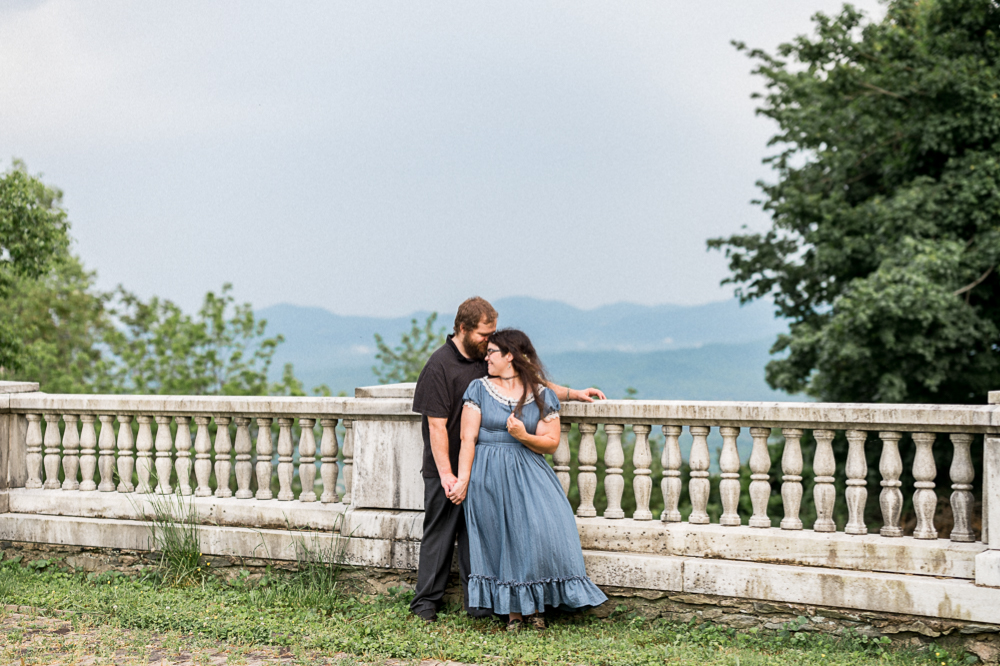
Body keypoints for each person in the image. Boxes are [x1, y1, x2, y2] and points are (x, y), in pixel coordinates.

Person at [409, 297, 605, 623]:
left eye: (493, 336)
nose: (490, 342)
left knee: (482, 536)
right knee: (440, 535)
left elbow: (531, 380)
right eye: (485, 335)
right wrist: (448, 474)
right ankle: (425, 605)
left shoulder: (484, 360)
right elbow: (435, 425)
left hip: (485, 466)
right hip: (447, 465)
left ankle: (484, 607)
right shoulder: (439, 366)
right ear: (463, 329)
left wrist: (573, 393)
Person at [450, 328, 607, 631]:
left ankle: (536, 604)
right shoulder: (478, 389)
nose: (487, 357)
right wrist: (463, 481)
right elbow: (467, 439)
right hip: (488, 472)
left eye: (492, 352)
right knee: (501, 538)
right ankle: (514, 614)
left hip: (529, 471)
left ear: (510, 356)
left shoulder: (541, 394)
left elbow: (551, 442)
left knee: (534, 534)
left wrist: (523, 435)